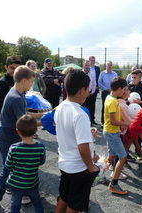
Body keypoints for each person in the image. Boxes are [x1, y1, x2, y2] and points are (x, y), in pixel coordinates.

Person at [0, 66, 36, 213]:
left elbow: (25, 115)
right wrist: (46, 120)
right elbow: (24, 124)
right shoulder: (16, 98)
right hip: (7, 137)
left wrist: (42, 115)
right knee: (7, 170)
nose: (32, 84)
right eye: (31, 81)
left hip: (8, 134)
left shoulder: (18, 92)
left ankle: (23, 195)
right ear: (23, 80)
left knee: (13, 168)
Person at [54, 70, 99, 213]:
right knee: (75, 206)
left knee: (64, 197)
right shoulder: (80, 114)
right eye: (88, 89)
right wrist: (91, 166)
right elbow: (82, 147)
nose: (88, 93)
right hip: (79, 168)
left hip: (65, 162)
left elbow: (69, 135)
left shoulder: (60, 107)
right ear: (81, 91)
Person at [5, 115, 46, 213]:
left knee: (15, 203)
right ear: (35, 131)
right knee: (37, 201)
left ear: (18, 131)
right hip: (32, 181)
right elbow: (41, 161)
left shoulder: (13, 148)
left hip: (15, 183)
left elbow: (8, 165)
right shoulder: (40, 148)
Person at [103, 77, 129, 195]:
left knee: (112, 156)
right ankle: (114, 183)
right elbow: (113, 121)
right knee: (123, 157)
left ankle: (98, 175)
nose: (124, 91)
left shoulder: (110, 97)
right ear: (119, 89)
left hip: (109, 131)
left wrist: (121, 125)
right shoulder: (113, 101)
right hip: (112, 133)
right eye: (123, 89)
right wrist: (126, 123)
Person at [0, 56, 22, 123]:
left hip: (17, 117)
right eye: (12, 68)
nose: (15, 71)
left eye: (17, 69)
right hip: (6, 120)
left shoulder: (19, 81)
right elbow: (1, 105)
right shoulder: (2, 82)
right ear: (6, 67)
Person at [84, 57, 101, 125]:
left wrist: (93, 90)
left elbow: (96, 79)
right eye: (91, 60)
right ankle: (86, 120)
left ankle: (92, 120)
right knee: (85, 105)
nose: (93, 61)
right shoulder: (85, 70)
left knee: (92, 105)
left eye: (94, 60)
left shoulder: (97, 68)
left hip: (93, 90)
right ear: (89, 61)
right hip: (85, 92)